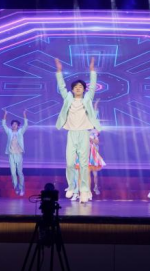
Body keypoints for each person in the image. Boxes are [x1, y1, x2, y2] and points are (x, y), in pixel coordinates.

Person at [55, 57, 102, 204]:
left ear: (83, 89)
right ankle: (71, 186)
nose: (78, 88)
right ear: (72, 89)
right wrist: (59, 72)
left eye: (80, 86)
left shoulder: (87, 99)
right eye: (75, 86)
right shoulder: (68, 98)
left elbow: (92, 87)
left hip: (84, 133)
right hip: (72, 134)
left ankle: (85, 190)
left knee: (83, 164)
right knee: (70, 163)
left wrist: (92, 71)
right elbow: (61, 87)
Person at [3, 110, 28, 196]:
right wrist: (5, 115)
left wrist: (24, 115)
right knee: (13, 172)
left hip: (19, 154)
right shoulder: (9, 132)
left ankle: (21, 188)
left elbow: (26, 125)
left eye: (15, 124)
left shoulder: (20, 132)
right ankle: (16, 187)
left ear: (18, 126)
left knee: (19, 172)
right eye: (13, 124)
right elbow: (4, 125)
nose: (14, 125)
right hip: (11, 155)